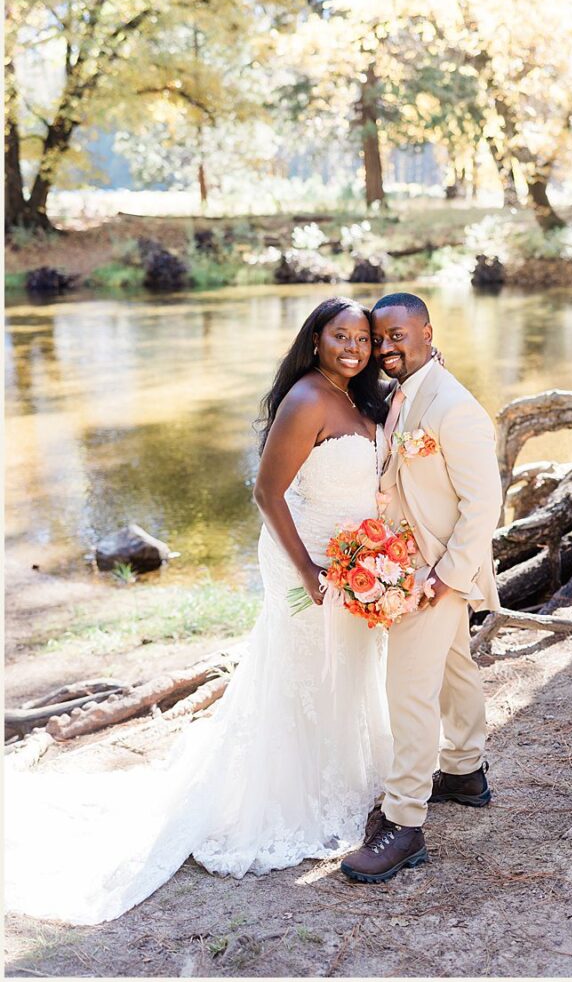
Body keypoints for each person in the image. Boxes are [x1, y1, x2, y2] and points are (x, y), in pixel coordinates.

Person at [4, 298, 392, 925]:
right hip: (306, 558)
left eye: (364, 339)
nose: (354, 347)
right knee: (301, 671)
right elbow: (267, 492)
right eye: (340, 335)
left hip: (355, 560)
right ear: (315, 339)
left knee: (347, 661)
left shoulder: (361, 398)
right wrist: (308, 570)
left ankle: (349, 778)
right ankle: (292, 798)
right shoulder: (306, 399)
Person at [339, 292, 502, 884]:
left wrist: (444, 579)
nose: (385, 348)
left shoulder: (455, 407)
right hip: (408, 564)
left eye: (397, 336)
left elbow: (485, 506)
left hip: (434, 574)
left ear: (427, 333)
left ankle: (404, 824)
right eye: (379, 339)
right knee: (455, 667)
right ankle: (463, 770)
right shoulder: (403, 398)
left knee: (407, 689)